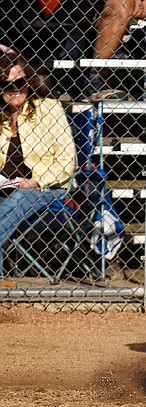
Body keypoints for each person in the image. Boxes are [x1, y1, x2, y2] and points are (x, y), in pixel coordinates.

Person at [0, 52, 77, 277]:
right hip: (6, 187)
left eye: (21, 82)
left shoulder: (49, 109)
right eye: (7, 84)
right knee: (14, 198)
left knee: (22, 196)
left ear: (30, 82)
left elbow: (67, 161)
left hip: (47, 188)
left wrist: (34, 181)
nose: (15, 89)